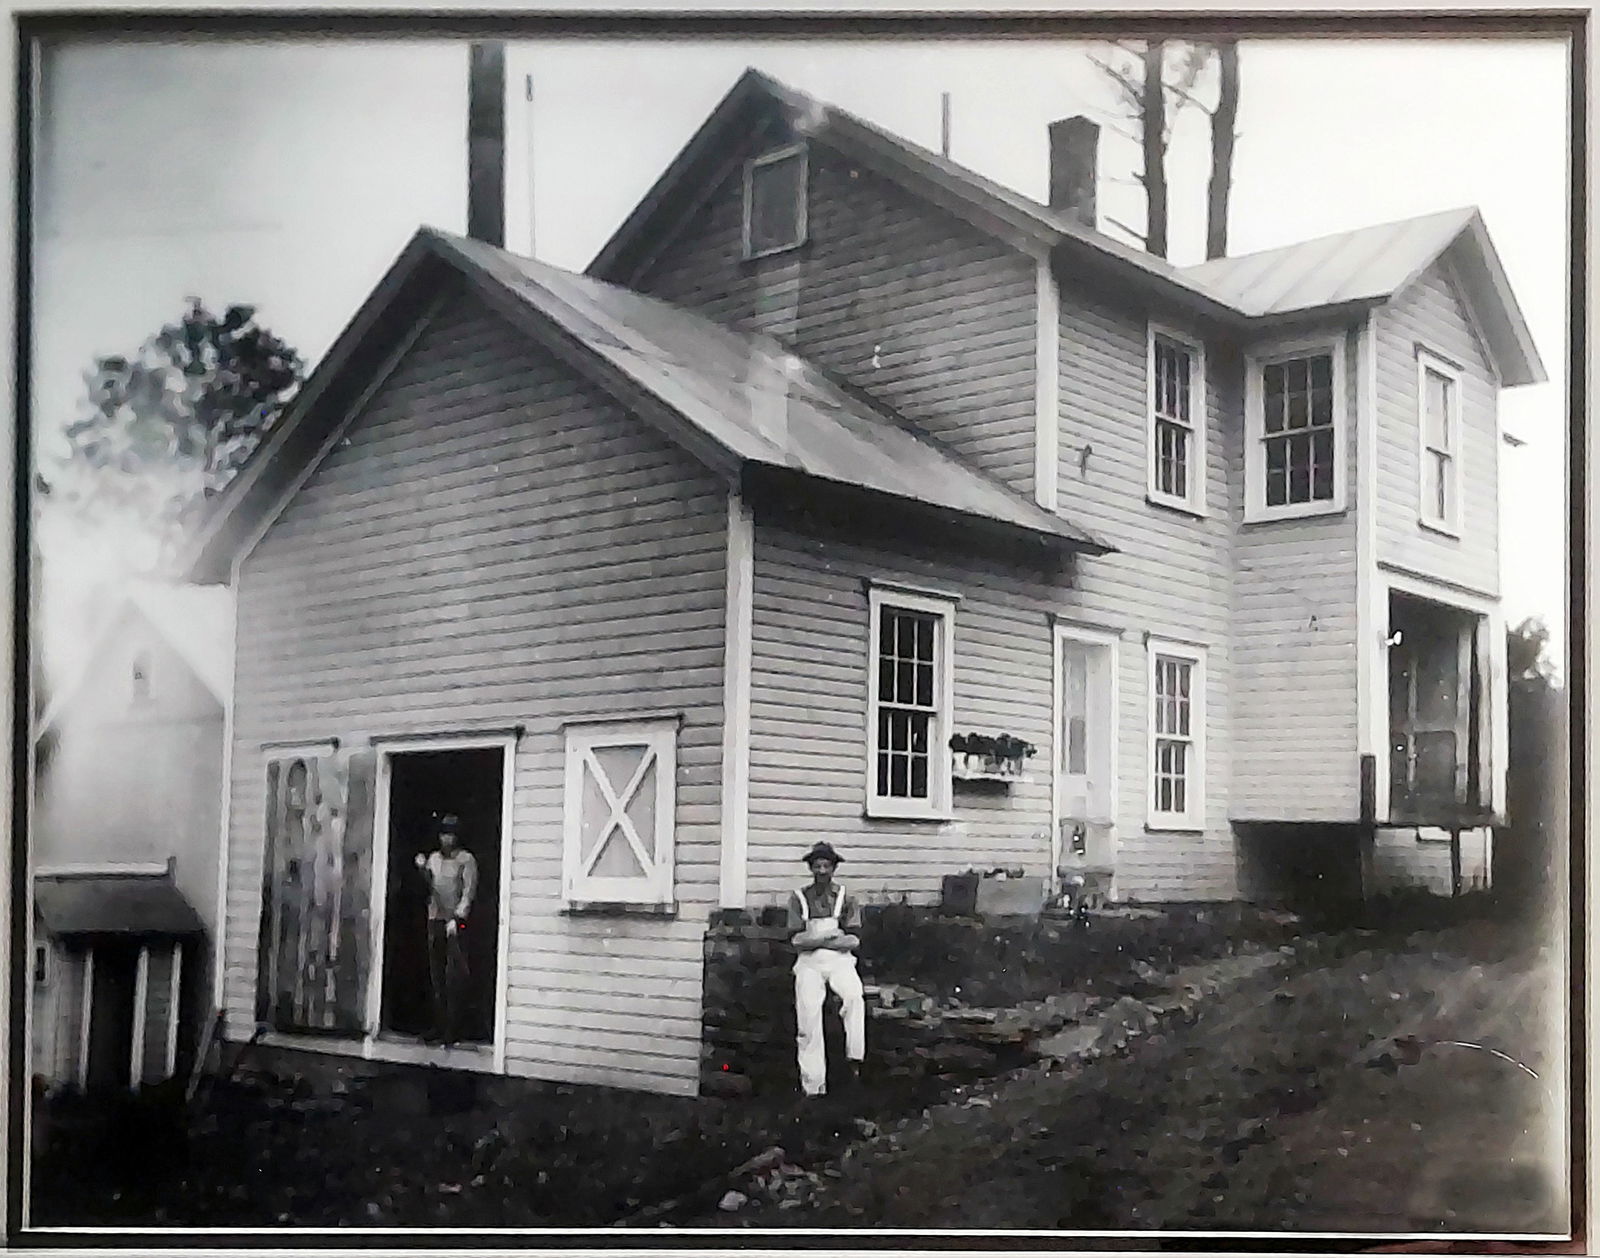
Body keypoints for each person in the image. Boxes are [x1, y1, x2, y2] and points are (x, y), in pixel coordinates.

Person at [788, 841, 866, 1098]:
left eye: (826, 866)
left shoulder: (846, 897)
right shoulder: (799, 898)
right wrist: (827, 939)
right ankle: (813, 1084)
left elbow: (853, 940)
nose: (822, 871)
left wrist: (831, 941)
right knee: (808, 1013)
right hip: (809, 963)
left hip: (840, 960)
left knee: (854, 996)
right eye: (817, 866)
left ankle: (855, 1059)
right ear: (811, 868)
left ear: (834, 868)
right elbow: (797, 941)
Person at [414, 814, 478, 1045]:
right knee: (437, 977)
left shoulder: (466, 860)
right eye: (443, 834)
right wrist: (422, 869)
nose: (446, 838)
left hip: (456, 924)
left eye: (450, 834)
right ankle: (438, 1026)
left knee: (455, 978)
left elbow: (468, 893)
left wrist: (457, 919)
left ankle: (454, 1029)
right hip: (435, 920)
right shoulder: (433, 859)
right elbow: (428, 886)